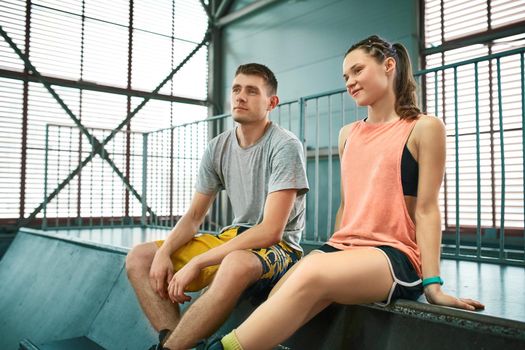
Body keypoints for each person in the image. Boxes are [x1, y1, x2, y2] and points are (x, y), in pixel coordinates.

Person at [210, 35, 485, 350]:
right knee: (283, 290)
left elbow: (427, 209)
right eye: (345, 77)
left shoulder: (424, 127)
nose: (350, 82)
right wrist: (334, 252)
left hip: (394, 255)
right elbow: (347, 205)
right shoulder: (348, 135)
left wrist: (433, 284)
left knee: (311, 271)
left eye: (357, 71)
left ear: (389, 66)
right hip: (344, 248)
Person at [125, 63, 309, 350]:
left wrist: (199, 261)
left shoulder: (285, 145)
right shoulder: (217, 147)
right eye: (236, 89)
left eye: (251, 91)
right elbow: (194, 216)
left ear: (271, 102)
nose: (240, 97)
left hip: (282, 248)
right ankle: (175, 343)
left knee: (235, 262)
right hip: (233, 236)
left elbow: (272, 230)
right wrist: (164, 252)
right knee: (139, 257)